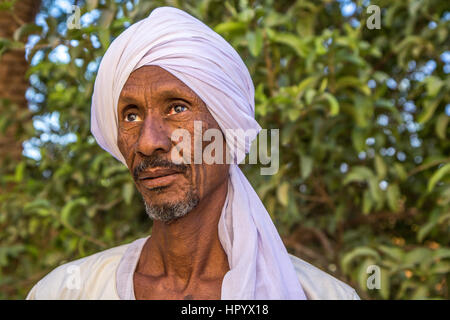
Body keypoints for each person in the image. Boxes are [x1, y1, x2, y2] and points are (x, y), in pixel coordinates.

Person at [26, 6, 359, 300]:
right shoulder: (66, 292)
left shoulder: (319, 294)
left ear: (229, 129)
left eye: (177, 108)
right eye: (131, 115)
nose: (148, 142)